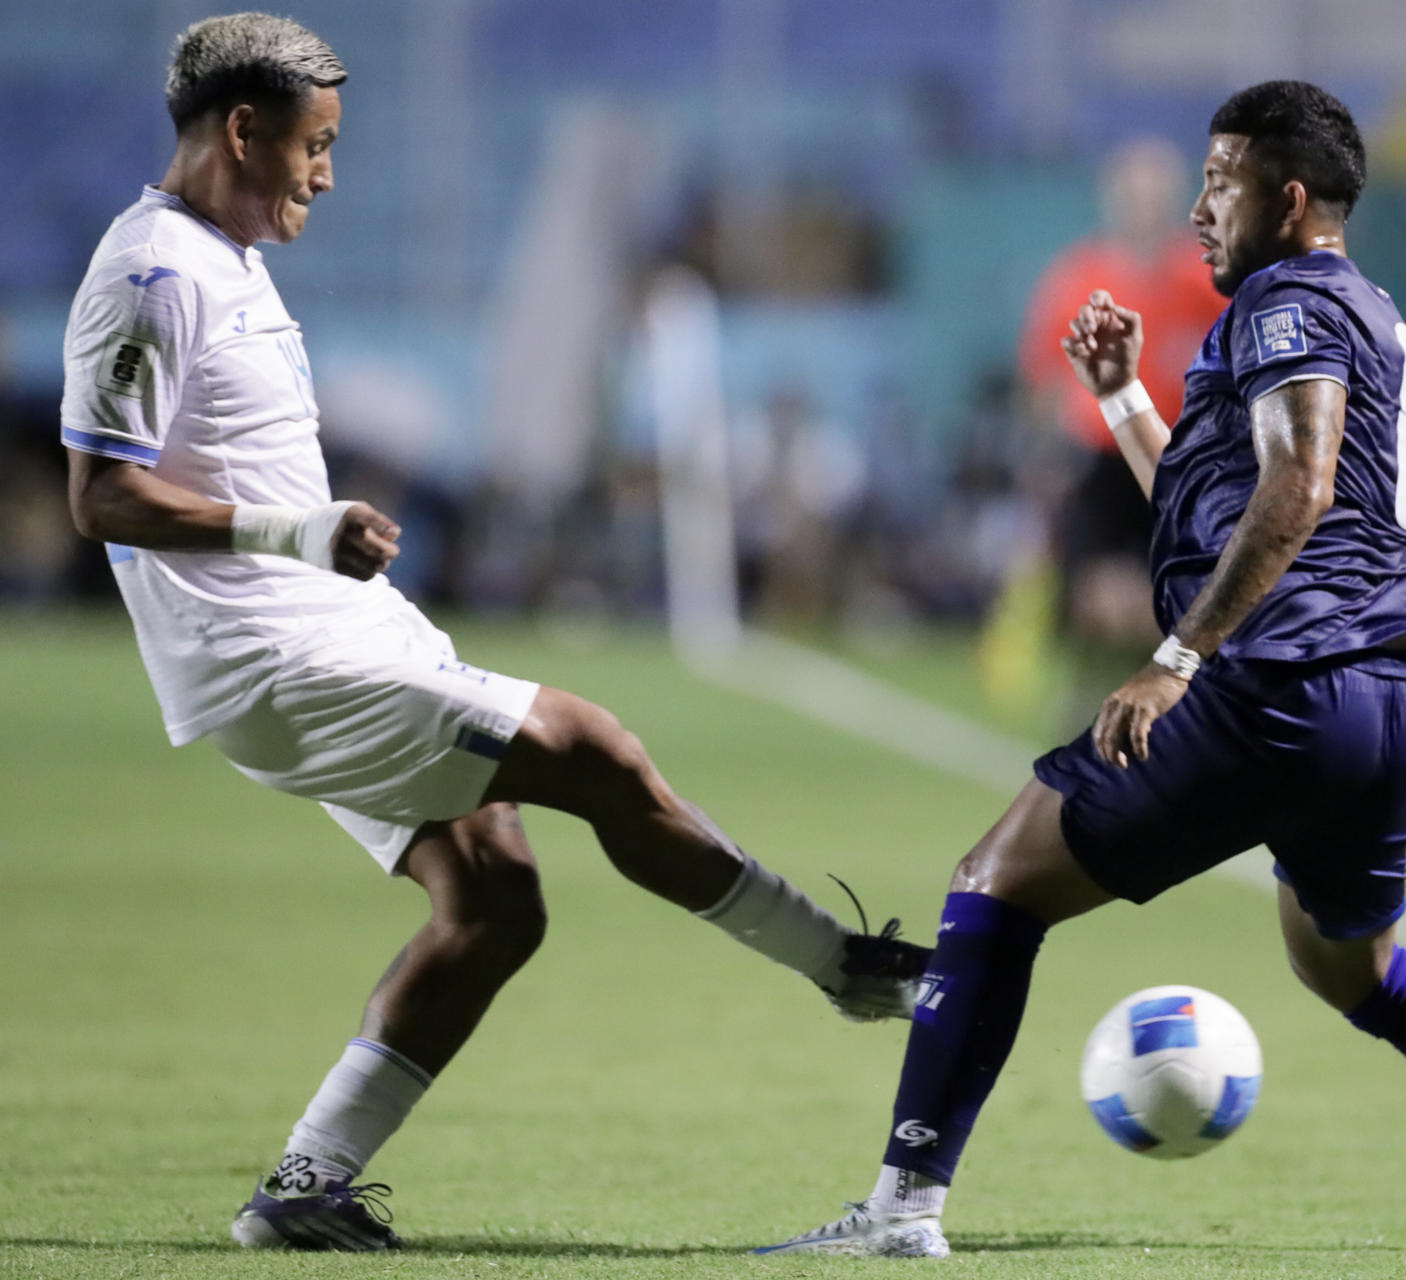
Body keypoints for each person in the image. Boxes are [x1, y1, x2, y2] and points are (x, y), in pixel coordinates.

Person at [760, 81, 1406, 1258]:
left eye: (1221, 181)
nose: (1200, 209)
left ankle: (900, 1210)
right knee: (1360, 972)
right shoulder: (1358, 307)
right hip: (1382, 703)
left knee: (995, 879)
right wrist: (1125, 400)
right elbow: (1225, 514)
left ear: (1289, 199)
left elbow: (1294, 491)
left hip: (1276, 684)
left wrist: (1174, 657)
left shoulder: (1286, 301)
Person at [59, 13, 926, 1253]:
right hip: (275, 654)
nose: (329, 171)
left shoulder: (224, 253)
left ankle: (305, 1188)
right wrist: (302, 536)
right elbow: (100, 497)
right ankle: (844, 965)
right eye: (316, 144)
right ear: (242, 130)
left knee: (493, 901)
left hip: (334, 630)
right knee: (596, 746)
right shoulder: (149, 276)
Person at [1017, 138, 1226, 664]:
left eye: (1154, 196)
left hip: (1178, 460)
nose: (1143, 207)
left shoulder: (1204, 280)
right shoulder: (1078, 278)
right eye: (1133, 195)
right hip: (1103, 458)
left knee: (1171, 599)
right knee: (1098, 597)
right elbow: (1043, 377)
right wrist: (1045, 462)